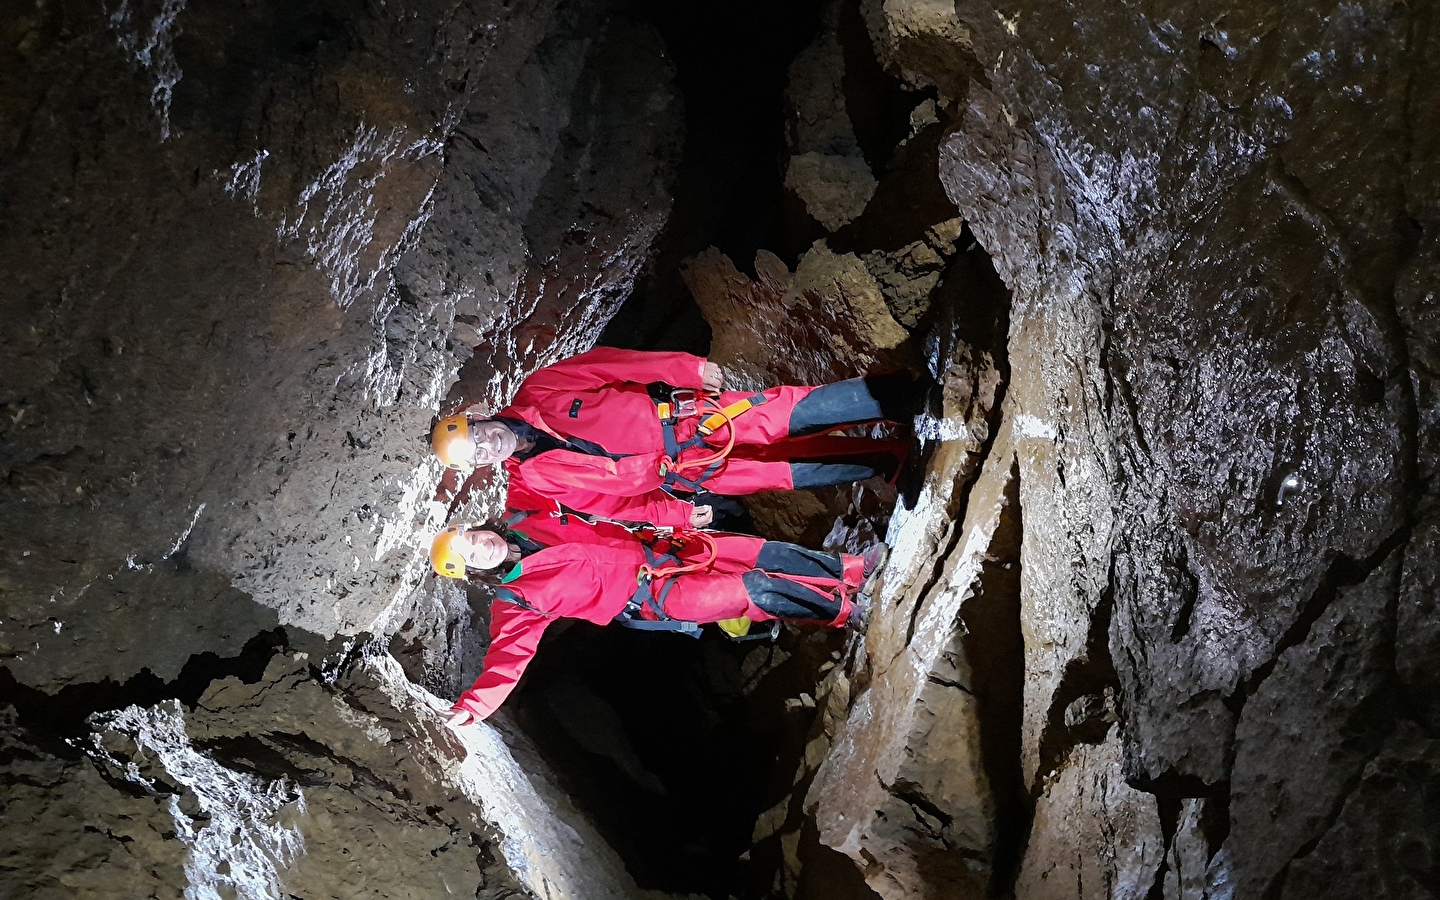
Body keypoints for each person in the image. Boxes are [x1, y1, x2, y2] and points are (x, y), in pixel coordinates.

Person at [428, 516, 887, 724]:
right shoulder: (516, 600)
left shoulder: (530, 523)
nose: (480, 547)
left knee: (765, 553)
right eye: (470, 556)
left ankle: (853, 571)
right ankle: (844, 611)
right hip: (658, 596)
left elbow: (604, 496)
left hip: (667, 551)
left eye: (471, 538)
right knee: (752, 590)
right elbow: (509, 656)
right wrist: (474, 707)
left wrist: (671, 515)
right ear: (475, 571)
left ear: (477, 528)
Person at [430, 347, 925, 528]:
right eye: (475, 456)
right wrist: (677, 514)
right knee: (786, 472)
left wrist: (684, 369)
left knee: (786, 414)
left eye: (476, 436)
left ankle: (898, 395)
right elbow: (612, 507)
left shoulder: (541, 390)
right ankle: (887, 459)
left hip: (688, 421)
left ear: (477, 418)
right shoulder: (539, 480)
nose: (485, 446)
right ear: (479, 466)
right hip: (685, 474)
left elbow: (611, 365)